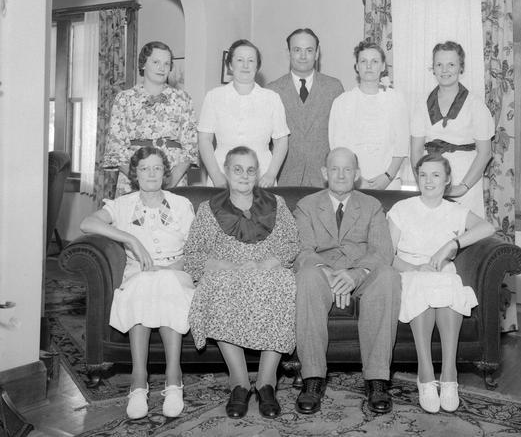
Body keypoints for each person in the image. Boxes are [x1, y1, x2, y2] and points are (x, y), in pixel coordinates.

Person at [80, 146, 196, 419]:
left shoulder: (180, 205)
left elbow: (195, 249)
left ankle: (173, 377)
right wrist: (129, 238)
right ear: (135, 174)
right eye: (145, 168)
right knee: (144, 283)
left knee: (165, 281)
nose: (151, 173)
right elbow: (87, 223)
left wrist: (170, 267)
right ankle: (139, 380)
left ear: (165, 173)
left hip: (176, 270)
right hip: (137, 274)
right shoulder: (122, 204)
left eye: (157, 168)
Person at [184, 146, 299, 419]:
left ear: (257, 173)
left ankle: (266, 381)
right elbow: (193, 254)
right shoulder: (208, 209)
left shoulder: (277, 203)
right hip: (226, 271)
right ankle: (239, 381)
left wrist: (265, 264)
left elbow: (292, 243)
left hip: (268, 269)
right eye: (238, 169)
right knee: (219, 284)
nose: (244, 175)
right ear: (226, 171)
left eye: (250, 170)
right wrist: (229, 266)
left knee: (282, 283)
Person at [293, 147, 401, 415]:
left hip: (360, 272)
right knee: (307, 275)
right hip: (321, 273)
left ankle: (377, 380)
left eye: (347, 169)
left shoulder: (372, 205)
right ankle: (313, 379)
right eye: (334, 169)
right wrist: (329, 273)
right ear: (324, 173)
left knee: (388, 276)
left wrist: (355, 274)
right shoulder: (306, 206)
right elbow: (302, 250)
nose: (341, 174)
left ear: (357, 175)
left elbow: (382, 251)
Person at [387, 153, 495, 413]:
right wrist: (415, 267)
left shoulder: (455, 211)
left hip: (442, 270)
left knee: (447, 284)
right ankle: (425, 372)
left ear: (447, 180)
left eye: (436, 175)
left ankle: (449, 373)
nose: (429, 180)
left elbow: (488, 228)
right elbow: (387, 255)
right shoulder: (402, 209)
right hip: (409, 270)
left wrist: (452, 244)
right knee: (422, 285)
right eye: (423, 174)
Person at [410, 41, 495, 217]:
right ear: (433, 68)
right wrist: (423, 182)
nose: (445, 70)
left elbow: (485, 153)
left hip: (465, 180)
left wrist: (462, 187)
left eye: (451, 64)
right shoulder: (421, 105)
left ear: (461, 68)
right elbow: (416, 150)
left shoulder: (476, 105)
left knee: (465, 231)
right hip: (431, 181)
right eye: (439, 64)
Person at [103, 41, 198, 198]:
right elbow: (115, 147)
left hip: (173, 180)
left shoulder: (183, 99)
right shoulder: (124, 99)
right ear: (143, 64)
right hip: (132, 180)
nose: (162, 68)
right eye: (156, 62)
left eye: (166, 64)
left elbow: (190, 147)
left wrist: (171, 181)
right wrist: (139, 179)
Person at [198, 39, 289, 188]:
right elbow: (204, 140)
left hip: (261, 176)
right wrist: (216, 176)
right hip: (222, 176)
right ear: (230, 65)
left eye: (251, 60)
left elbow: (282, 141)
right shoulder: (214, 97)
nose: (245, 65)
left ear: (257, 66)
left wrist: (271, 174)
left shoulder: (272, 98)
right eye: (240, 60)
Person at [266, 28, 344, 187]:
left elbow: (342, 136)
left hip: (323, 180)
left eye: (309, 50)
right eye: (297, 50)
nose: (303, 56)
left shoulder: (334, 87)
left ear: (317, 53)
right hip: (284, 179)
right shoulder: (272, 90)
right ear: (288, 53)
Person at [329, 41, 409, 190]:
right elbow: (337, 146)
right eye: (363, 61)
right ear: (357, 67)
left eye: (375, 61)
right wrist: (357, 180)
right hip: (352, 183)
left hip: (389, 183)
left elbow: (402, 145)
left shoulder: (396, 99)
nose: (369, 66)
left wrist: (387, 177)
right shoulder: (342, 102)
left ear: (383, 66)